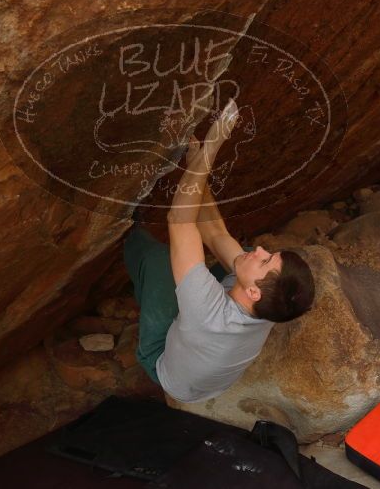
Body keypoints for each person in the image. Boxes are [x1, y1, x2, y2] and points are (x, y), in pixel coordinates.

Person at [123, 99, 315, 403]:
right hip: (205, 364)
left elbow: (180, 221)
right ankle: (185, 276)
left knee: (157, 258)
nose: (262, 249)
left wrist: (214, 145)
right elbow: (215, 232)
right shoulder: (271, 305)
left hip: (165, 365)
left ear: (253, 293)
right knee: (240, 255)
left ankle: (127, 231)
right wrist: (196, 162)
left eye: (265, 261)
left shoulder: (209, 314)